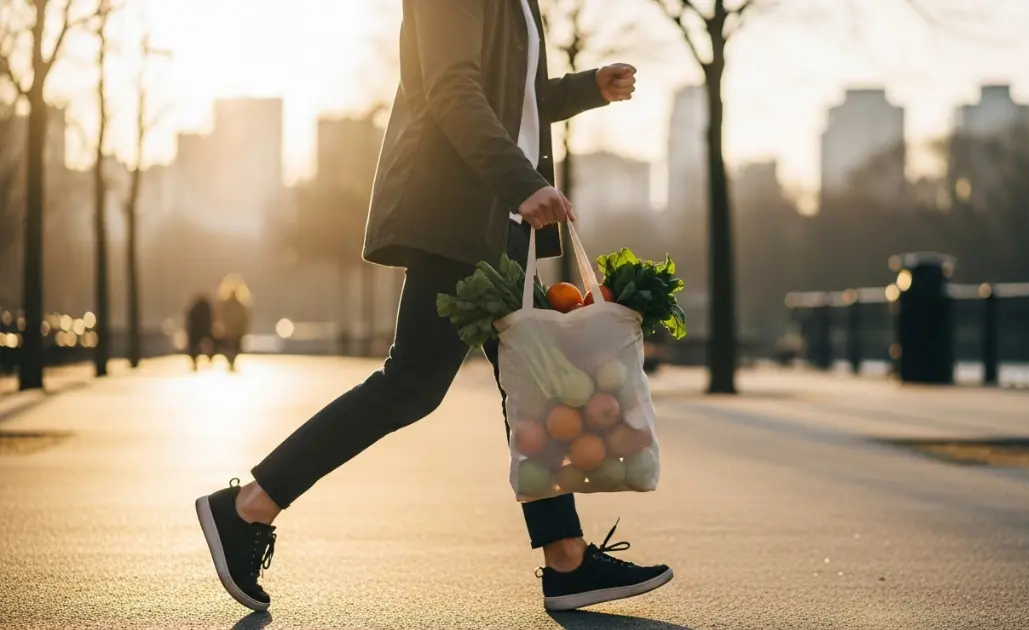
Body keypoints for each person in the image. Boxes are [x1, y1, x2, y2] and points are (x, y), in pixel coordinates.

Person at [194, 0, 671, 615]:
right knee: (412, 385)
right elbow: (451, 91)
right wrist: (522, 183)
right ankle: (247, 506)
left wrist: (584, 89)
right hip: (460, 217)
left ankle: (568, 558)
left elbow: (510, 99)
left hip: (496, 221)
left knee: (529, 382)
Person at [215, 274, 252, 372]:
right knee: (233, 348)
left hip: (232, 331)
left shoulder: (230, 304)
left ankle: (231, 362)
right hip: (233, 331)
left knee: (232, 348)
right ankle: (231, 362)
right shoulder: (239, 304)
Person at [184, 294, 215, 371]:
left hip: (195, 331)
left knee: (194, 347)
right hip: (205, 330)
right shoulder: (207, 308)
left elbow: (189, 321)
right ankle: (210, 358)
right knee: (210, 345)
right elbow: (211, 320)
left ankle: (194, 362)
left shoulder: (193, 309)